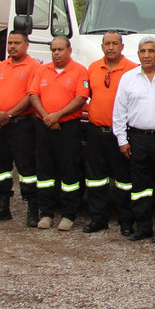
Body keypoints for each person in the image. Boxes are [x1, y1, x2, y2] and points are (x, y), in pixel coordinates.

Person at [112, 37, 155, 241]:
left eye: (151, 51)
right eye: (142, 51)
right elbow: (119, 111)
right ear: (138, 54)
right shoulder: (128, 78)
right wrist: (122, 139)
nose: (146, 55)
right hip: (137, 138)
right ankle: (143, 227)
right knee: (140, 187)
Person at [29, 36, 89, 231]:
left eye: (60, 49)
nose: (56, 53)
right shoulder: (42, 70)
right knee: (44, 171)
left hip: (68, 128)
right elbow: (34, 95)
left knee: (69, 171)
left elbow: (81, 98)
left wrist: (57, 116)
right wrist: (47, 117)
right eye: (53, 49)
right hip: (43, 126)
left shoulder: (80, 71)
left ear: (69, 51)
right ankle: (46, 213)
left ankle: (69, 214)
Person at [83, 31, 138, 235]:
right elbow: (86, 96)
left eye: (115, 43)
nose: (111, 47)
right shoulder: (93, 68)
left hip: (121, 134)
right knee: (96, 178)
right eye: (107, 43)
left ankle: (126, 221)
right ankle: (98, 218)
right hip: (96, 131)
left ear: (122, 46)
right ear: (102, 46)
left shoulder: (132, 69)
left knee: (124, 181)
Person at [0, 31, 41, 224]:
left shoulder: (34, 67)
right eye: (10, 43)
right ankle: (2, 207)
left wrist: (9, 114)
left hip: (21, 125)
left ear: (26, 45)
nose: (12, 46)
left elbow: (31, 96)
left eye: (17, 43)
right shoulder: (0, 66)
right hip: (0, 125)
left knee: (27, 169)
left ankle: (33, 208)